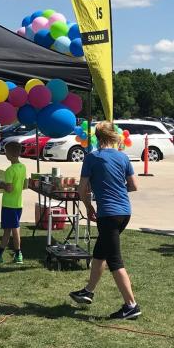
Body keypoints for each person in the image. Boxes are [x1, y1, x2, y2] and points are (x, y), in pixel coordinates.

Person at [69, 121, 141, 320]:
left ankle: (131, 305)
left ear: (97, 138)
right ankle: (88, 291)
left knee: (114, 261)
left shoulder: (92, 157)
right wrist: (116, 189)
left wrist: (89, 206)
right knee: (100, 253)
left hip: (108, 214)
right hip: (124, 213)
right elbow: (134, 185)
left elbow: (81, 189)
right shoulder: (123, 157)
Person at [0, 141, 26, 265]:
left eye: (6, 152)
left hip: (10, 204)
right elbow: (25, 185)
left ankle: (18, 253)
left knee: (14, 229)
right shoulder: (22, 167)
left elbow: (9, 188)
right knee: (8, 230)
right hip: (18, 203)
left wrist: (1, 184)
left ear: (9, 154)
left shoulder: (10, 170)